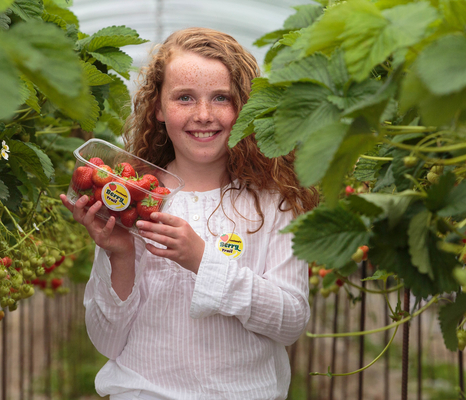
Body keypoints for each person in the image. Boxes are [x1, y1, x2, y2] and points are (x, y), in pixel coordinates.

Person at [61, 27, 319, 400]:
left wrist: (203, 261)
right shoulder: (136, 197)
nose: (203, 115)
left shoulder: (272, 202)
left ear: (244, 107)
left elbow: (291, 322)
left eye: (221, 98)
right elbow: (107, 340)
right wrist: (120, 256)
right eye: (184, 98)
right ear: (159, 109)